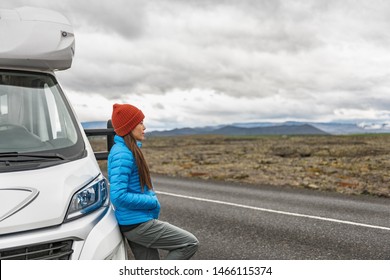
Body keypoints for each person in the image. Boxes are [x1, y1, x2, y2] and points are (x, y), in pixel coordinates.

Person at [108, 103, 199, 260]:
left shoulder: (127, 150)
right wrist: (151, 201)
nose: (144, 127)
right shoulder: (123, 154)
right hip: (137, 223)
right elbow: (118, 196)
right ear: (129, 126)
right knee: (189, 243)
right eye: (141, 122)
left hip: (135, 221)